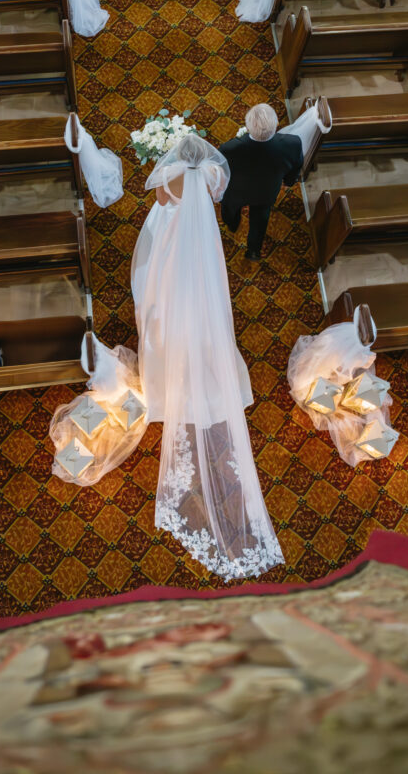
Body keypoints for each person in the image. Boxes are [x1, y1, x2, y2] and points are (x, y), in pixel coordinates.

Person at [131, 132, 284, 580]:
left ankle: (168, 363)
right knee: (206, 303)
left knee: (159, 290)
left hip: (174, 239)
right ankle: (198, 353)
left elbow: (161, 201)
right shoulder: (214, 173)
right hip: (202, 245)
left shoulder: (170, 176)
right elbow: (218, 192)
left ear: (180, 157)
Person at [219, 103, 303, 260]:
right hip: (266, 192)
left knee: (230, 207)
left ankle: (232, 224)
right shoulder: (292, 144)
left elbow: (222, 171)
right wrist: (289, 181)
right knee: (260, 219)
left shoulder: (230, 148)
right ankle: (253, 251)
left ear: (248, 127)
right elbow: (296, 165)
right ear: (277, 124)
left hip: (237, 191)